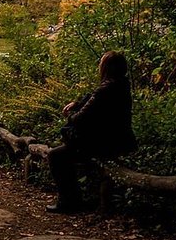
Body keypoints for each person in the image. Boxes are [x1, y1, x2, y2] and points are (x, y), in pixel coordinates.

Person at [47, 50, 137, 213]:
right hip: (118, 140)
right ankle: (75, 199)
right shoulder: (122, 85)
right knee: (64, 153)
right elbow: (93, 104)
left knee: (55, 156)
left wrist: (70, 116)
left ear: (106, 68)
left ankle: (69, 201)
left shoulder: (105, 90)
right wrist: (78, 103)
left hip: (105, 144)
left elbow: (80, 119)